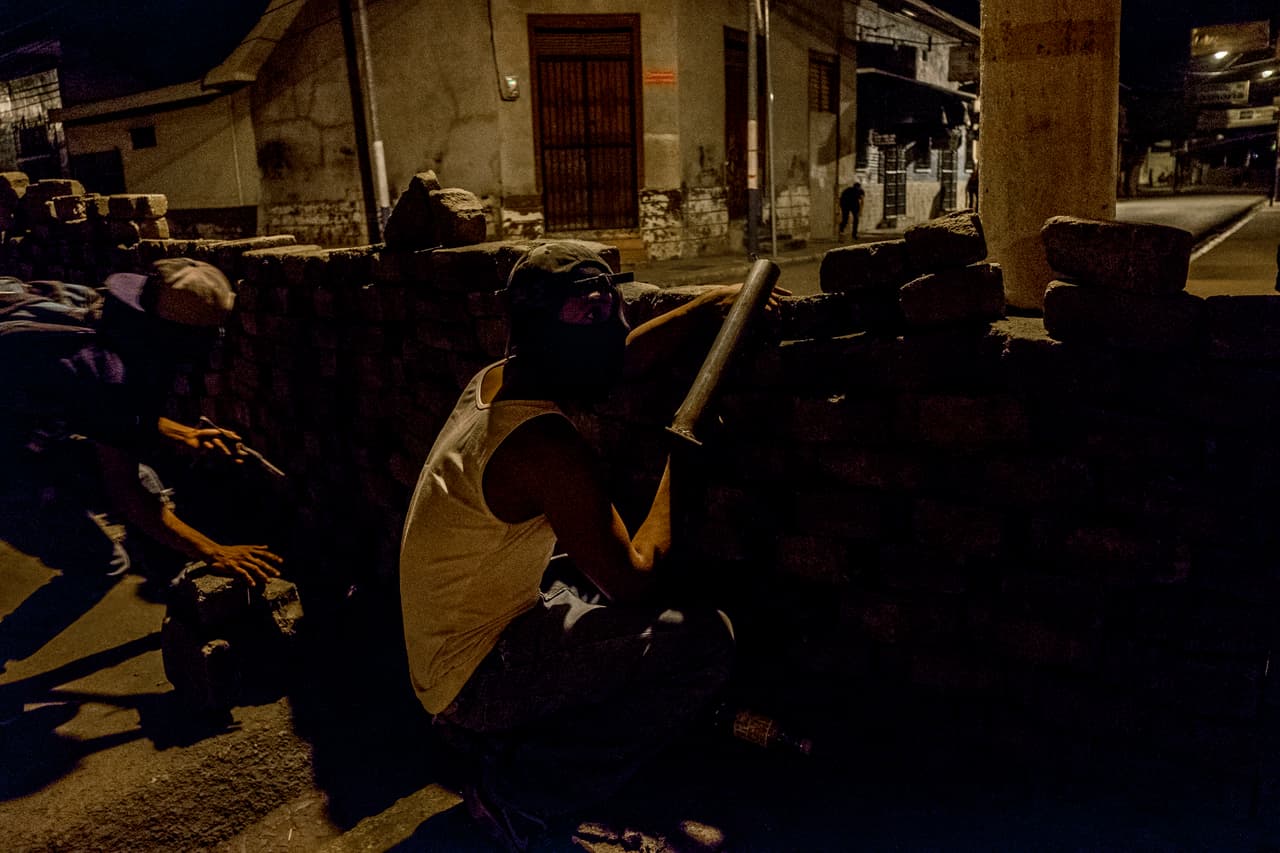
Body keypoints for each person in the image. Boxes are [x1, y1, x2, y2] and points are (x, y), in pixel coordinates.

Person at [400, 241, 782, 850]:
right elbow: (635, 578)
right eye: (592, 322)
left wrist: (708, 305)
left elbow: (613, 361)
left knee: (570, 574)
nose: (613, 340)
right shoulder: (544, 445)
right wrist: (679, 461)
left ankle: (498, 736)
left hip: (451, 649)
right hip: (475, 676)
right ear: (546, 338)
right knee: (703, 642)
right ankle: (523, 793)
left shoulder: (498, 379)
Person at [0, 258, 283, 587]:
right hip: (10, 458)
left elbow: (106, 416)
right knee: (102, 564)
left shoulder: (100, 312)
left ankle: (171, 581)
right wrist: (214, 552)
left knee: (147, 479)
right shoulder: (108, 371)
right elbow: (125, 491)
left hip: (19, 430)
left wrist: (184, 433)